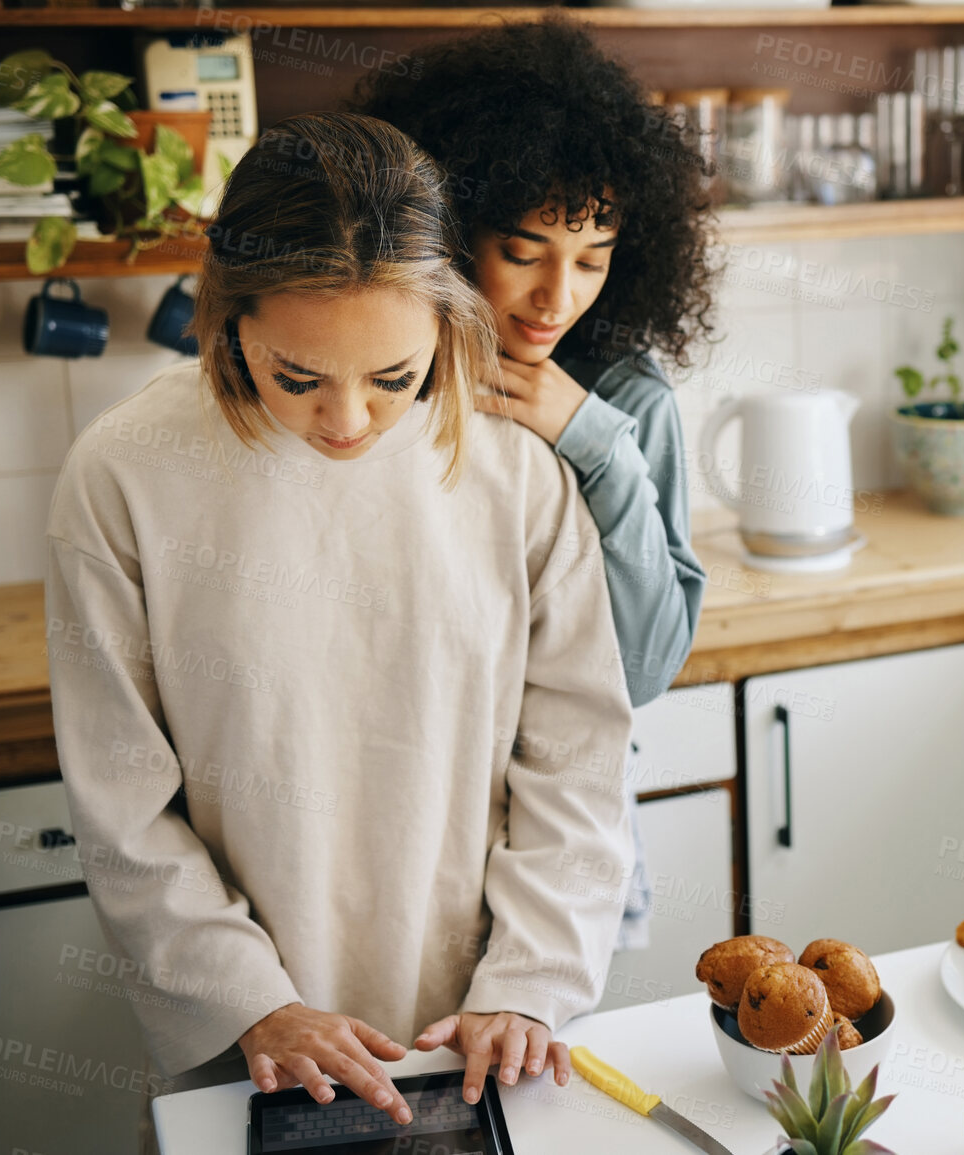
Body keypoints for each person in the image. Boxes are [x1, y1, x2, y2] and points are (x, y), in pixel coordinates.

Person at [43, 112, 635, 1143]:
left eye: (395, 380)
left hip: (482, 1026)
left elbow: (578, 755)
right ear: (229, 317)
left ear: (446, 322)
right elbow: (120, 794)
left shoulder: (513, 474)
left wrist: (530, 978)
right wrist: (250, 1000)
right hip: (253, 1043)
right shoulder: (123, 474)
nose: (350, 423)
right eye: (298, 378)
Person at [353, 18, 714, 949]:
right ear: (443, 224)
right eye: (523, 251)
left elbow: (640, 670)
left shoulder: (627, 398)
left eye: (591, 259)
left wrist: (594, 441)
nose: (558, 295)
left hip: (560, 818)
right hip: (396, 811)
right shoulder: (372, 377)